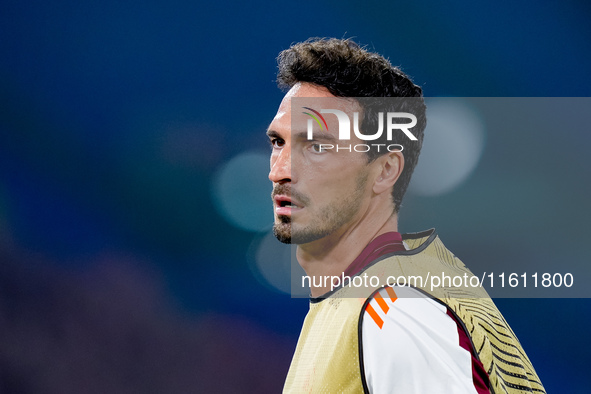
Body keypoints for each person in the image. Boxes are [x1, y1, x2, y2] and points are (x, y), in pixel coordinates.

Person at [267, 38, 545, 393]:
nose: (280, 171)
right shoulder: (361, 298)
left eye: (317, 146)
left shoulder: (394, 314)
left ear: (385, 170)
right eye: (278, 142)